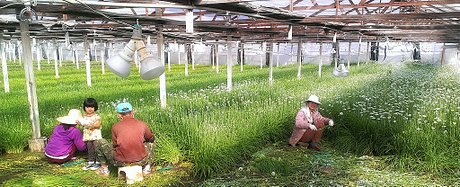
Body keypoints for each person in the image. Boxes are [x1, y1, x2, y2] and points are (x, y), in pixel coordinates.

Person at [94, 102, 155, 176]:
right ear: (132, 112)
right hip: (141, 160)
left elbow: (115, 145)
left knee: (99, 141)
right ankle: (147, 168)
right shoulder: (142, 124)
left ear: (119, 115)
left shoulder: (115, 126)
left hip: (120, 162)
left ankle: (104, 169)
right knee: (151, 143)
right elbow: (151, 138)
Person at [78, 98, 102, 171]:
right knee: (89, 148)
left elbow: (98, 125)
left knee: (96, 148)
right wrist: (80, 123)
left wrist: (90, 125)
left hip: (95, 136)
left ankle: (98, 161)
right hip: (88, 136)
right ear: (84, 107)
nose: (90, 109)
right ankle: (91, 161)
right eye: (88, 107)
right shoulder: (84, 117)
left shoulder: (96, 116)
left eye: (92, 107)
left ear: (95, 107)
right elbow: (82, 123)